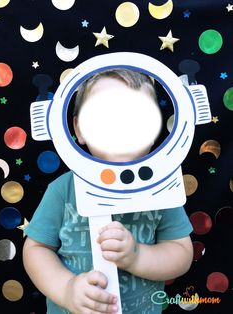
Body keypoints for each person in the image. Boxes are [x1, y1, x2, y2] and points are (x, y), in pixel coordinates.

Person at [23, 68, 193, 314]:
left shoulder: (162, 190)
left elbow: (181, 253)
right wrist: (66, 289)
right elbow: (36, 249)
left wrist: (136, 257)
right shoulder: (63, 190)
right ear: (79, 129)